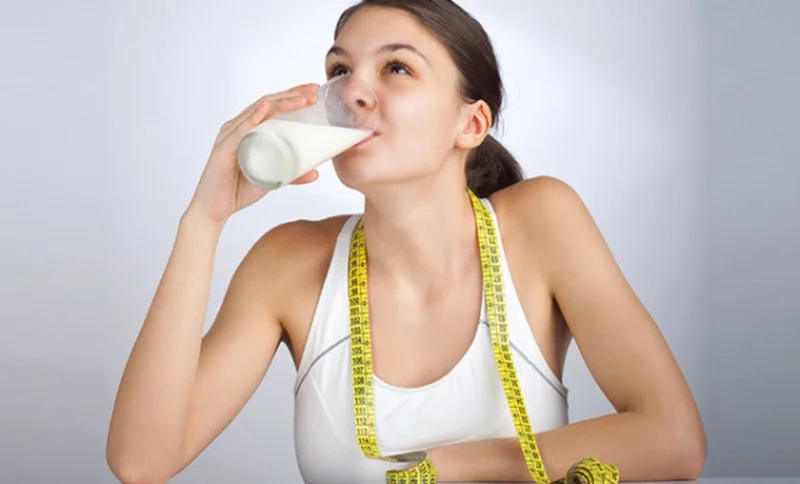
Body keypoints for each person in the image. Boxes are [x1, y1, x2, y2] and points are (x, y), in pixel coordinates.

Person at [106, 1, 707, 483]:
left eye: (396, 68)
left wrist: (446, 467)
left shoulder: (541, 223)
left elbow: (675, 440)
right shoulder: (287, 263)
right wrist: (202, 222)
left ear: (470, 123)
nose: (352, 93)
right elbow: (142, 463)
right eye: (340, 71)